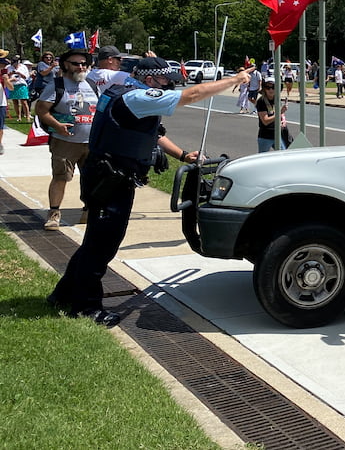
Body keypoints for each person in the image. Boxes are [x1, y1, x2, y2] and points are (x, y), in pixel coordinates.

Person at [47, 58, 252, 327]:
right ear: (151, 80)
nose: (169, 87)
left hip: (108, 175)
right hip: (111, 178)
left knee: (96, 240)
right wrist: (234, 81)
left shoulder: (124, 92)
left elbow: (154, 134)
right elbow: (191, 95)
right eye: (166, 82)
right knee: (103, 244)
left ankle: (62, 295)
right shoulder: (137, 96)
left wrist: (182, 155)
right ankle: (86, 306)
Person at [34, 49, 101, 229]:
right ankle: (54, 213)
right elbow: (41, 110)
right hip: (65, 142)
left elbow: (101, 110)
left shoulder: (92, 85)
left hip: (91, 142)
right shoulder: (57, 85)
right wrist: (57, 126)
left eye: (84, 64)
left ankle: (89, 211)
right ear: (65, 65)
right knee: (61, 177)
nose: (80, 67)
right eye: (75, 63)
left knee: (92, 178)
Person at [255, 77, 290, 152]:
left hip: (277, 134)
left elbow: (280, 114)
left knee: (283, 156)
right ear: (264, 89)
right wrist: (280, 112)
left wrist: (283, 119)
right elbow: (265, 121)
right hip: (265, 136)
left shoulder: (276, 99)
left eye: (273, 87)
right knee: (262, 159)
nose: (271, 90)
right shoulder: (261, 101)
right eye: (268, 87)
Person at [8, 54, 30, 120]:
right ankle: (18, 116)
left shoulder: (23, 67)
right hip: (13, 85)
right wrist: (11, 73)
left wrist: (19, 73)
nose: (15, 64)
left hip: (21, 84)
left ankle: (27, 116)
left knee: (24, 101)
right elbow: (6, 76)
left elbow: (26, 77)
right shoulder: (9, 67)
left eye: (16, 62)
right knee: (15, 101)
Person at [0, 57, 11, 154]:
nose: (3, 66)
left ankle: (0, 143)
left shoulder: (4, 75)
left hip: (1, 103)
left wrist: (7, 81)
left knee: (0, 126)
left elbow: (11, 88)